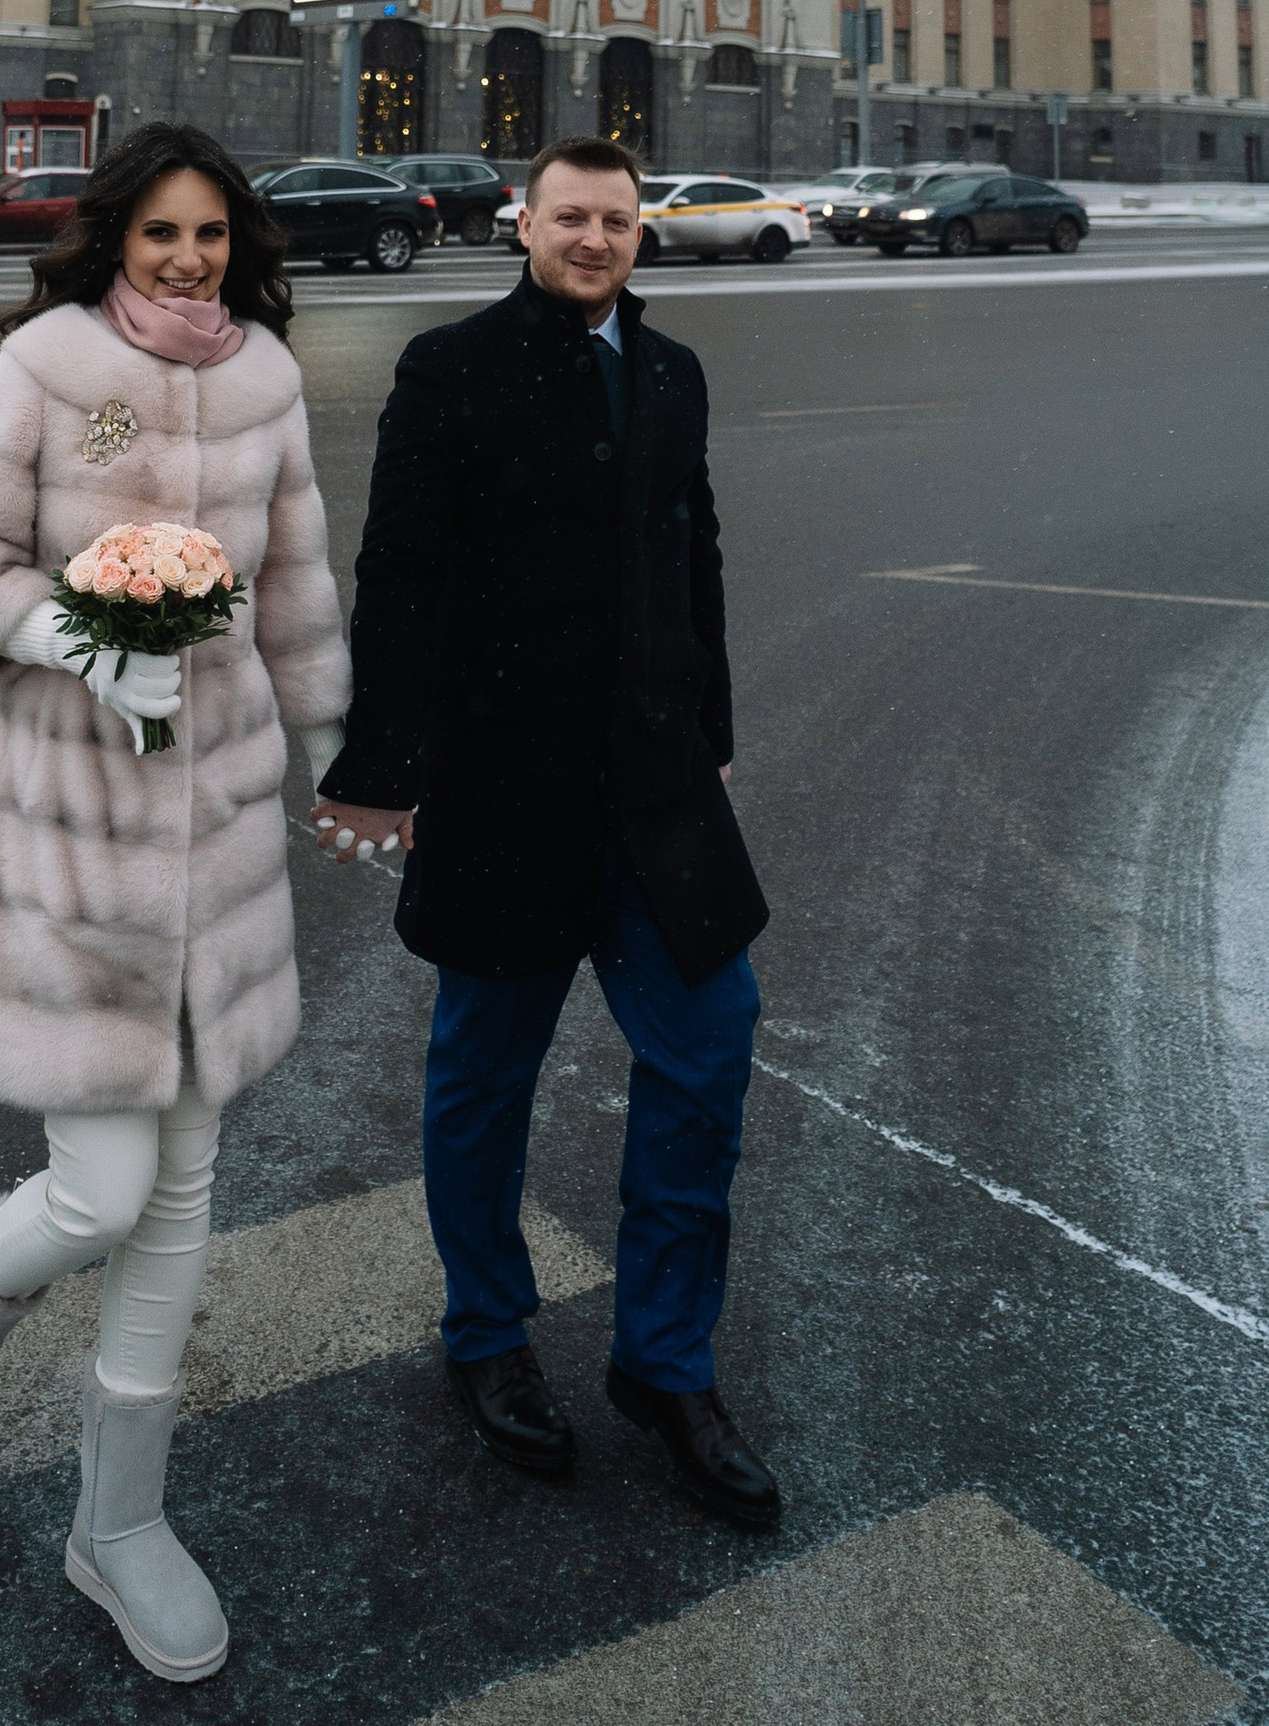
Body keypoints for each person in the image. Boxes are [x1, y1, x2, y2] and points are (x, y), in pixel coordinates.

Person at [0, 122, 349, 1683]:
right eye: (160, 234)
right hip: (73, 815)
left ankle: (122, 1522)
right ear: (114, 240)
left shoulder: (267, 385)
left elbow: (295, 577)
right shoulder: (43, 363)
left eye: (211, 236)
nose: (186, 260)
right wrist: (87, 636)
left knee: (184, 1182)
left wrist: (337, 745)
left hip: (217, 828)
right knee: (98, 1186)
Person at [310, 134, 779, 1527]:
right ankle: (488, 1339)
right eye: (570, 216)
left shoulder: (675, 372)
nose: (595, 237)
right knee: (484, 1080)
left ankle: (668, 1365)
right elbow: (400, 573)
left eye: (617, 220)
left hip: (656, 786)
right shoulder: (450, 367)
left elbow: (692, 553)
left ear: (641, 232)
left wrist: (714, 726)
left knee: (708, 1054)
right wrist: (381, 762)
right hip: (508, 785)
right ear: (525, 222)